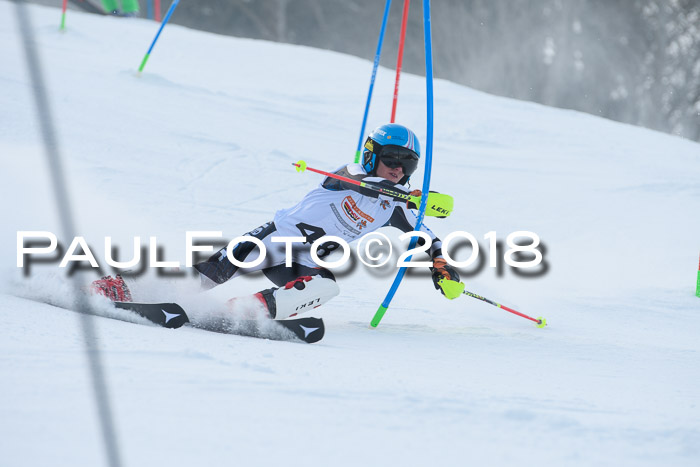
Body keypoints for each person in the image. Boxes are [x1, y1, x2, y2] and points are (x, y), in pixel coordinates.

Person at [93, 124, 460, 319]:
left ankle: (247, 313)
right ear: (371, 155)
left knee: (326, 287)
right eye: (391, 158)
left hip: (302, 261)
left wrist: (441, 266)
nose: (397, 169)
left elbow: (425, 236)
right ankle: (119, 288)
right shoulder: (349, 174)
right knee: (206, 276)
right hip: (275, 239)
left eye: (406, 163)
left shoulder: (397, 206)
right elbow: (365, 184)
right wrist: (408, 196)